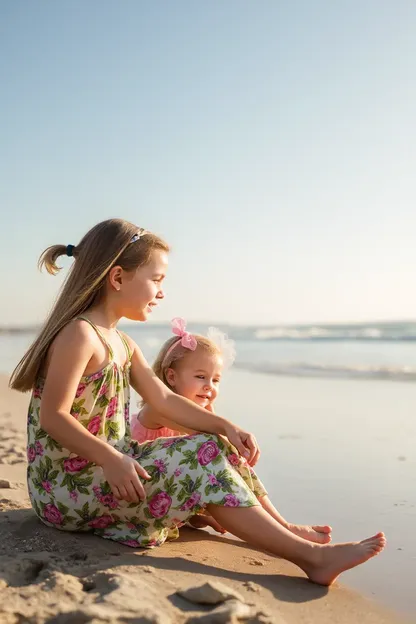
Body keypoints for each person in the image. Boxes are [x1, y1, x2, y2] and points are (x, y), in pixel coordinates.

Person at [10, 218, 385, 586]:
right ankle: (313, 559)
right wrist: (110, 457)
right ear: (118, 278)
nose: (161, 292)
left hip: (112, 469)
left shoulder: (123, 343)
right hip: (66, 487)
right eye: (156, 280)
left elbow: (164, 399)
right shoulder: (80, 335)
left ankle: (283, 530)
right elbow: (53, 417)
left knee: (213, 442)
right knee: (200, 460)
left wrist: (226, 426)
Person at [131, 318, 333, 543]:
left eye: (215, 379)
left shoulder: (200, 412)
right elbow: (213, 442)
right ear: (171, 376)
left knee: (219, 459)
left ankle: (273, 524)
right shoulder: (157, 409)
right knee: (216, 448)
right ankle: (282, 527)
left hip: (162, 484)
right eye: (200, 377)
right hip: (135, 492)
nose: (209, 386)